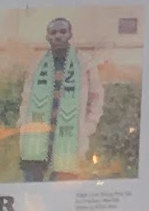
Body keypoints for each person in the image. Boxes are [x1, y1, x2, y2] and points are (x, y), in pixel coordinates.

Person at [17, 13, 94, 180]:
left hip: (69, 137)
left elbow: (96, 97)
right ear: (47, 37)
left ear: (70, 34)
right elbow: (26, 98)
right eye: (53, 33)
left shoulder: (84, 63)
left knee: (63, 188)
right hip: (37, 138)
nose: (58, 36)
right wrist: (23, 124)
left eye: (63, 32)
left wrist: (88, 126)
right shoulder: (37, 64)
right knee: (32, 187)